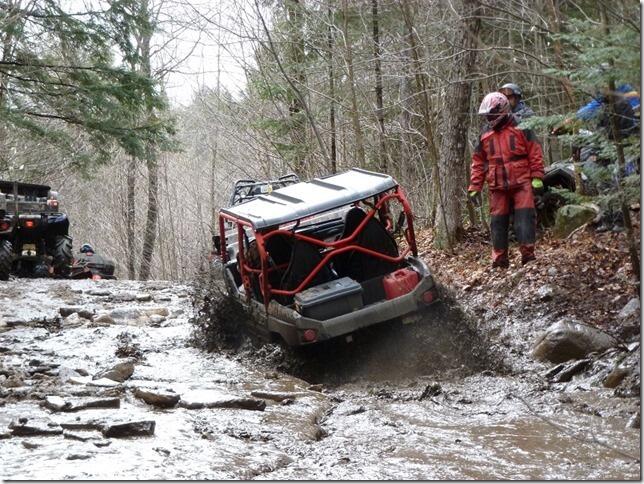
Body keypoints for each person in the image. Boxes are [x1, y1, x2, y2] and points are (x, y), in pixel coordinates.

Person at [468, 92, 545, 268]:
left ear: (501, 110)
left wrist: (537, 177)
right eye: (488, 115)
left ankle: (528, 256)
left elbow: (535, 152)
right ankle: (500, 259)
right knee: (497, 222)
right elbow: (478, 162)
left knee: (524, 219)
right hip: (497, 185)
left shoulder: (522, 126)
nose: (490, 118)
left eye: (492, 114)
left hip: (522, 181)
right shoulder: (485, 134)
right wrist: (475, 186)